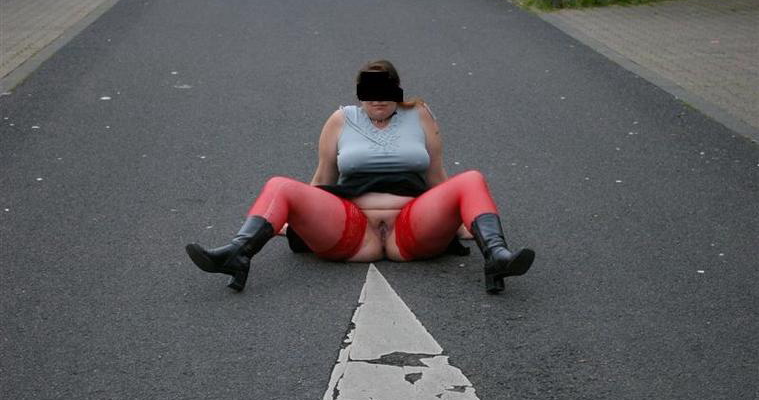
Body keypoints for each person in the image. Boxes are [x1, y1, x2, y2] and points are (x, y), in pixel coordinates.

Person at [185, 59, 534, 293]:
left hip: (410, 228)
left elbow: (437, 176)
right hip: (353, 230)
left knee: (470, 179)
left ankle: (497, 256)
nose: (378, 99)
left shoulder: (420, 115)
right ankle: (237, 254)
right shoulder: (341, 119)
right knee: (279, 185)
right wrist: (294, 218)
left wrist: (461, 221)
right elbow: (323, 178)